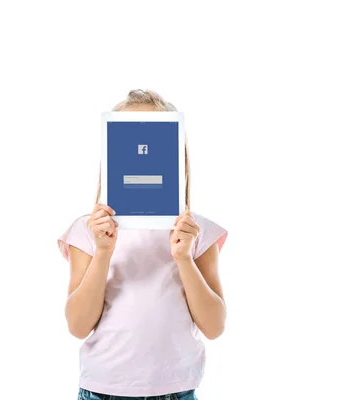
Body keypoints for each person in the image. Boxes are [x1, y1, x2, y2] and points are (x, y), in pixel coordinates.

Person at [58, 89, 228, 400]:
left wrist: (184, 258)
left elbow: (215, 326)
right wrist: (104, 253)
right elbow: (78, 325)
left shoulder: (197, 231)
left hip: (175, 390)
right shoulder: (87, 231)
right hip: (102, 389)